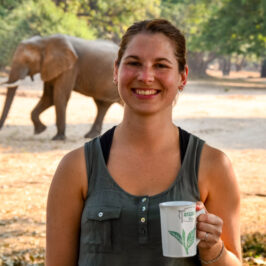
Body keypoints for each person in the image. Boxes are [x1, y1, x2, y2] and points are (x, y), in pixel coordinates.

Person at [46, 19, 242, 266]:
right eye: (134, 63)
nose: (146, 76)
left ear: (183, 76)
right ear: (116, 71)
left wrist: (214, 249)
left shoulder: (213, 165)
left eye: (161, 65)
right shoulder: (76, 167)